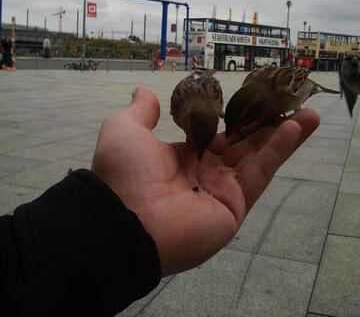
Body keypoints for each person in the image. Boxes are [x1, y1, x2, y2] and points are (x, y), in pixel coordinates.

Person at [0, 87, 320, 316]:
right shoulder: (184, 101)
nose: (195, 146)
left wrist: (103, 225)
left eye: (199, 142)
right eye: (192, 138)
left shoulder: (209, 105)